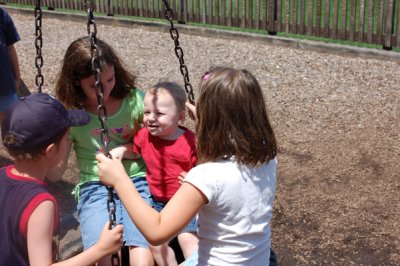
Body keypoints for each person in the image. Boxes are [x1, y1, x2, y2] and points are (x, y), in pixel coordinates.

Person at [97, 66, 278, 265]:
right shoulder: (267, 159)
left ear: (211, 119)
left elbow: (156, 231)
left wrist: (120, 180)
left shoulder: (207, 176)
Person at [48, 36, 154, 266]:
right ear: (77, 82)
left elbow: (153, 146)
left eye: (110, 79)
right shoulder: (72, 114)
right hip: (94, 186)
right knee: (100, 251)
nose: (105, 88)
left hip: (136, 179)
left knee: (141, 244)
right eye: (95, 85)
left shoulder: (134, 101)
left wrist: (126, 149)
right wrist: (55, 138)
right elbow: (55, 174)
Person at [0, 93, 123, 266]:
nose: (68, 143)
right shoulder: (40, 204)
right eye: (66, 139)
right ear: (50, 151)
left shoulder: (3, 175)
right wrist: (101, 249)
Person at [111, 81, 199, 265]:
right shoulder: (144, 136)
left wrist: (193, 177)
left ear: (180, 117)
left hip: (184, 202)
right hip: (158, 203)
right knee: (155, 244)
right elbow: (135, 151)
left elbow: (204, 166)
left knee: (187, 240)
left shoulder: (189, 141)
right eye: (147, 112)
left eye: (159, 114)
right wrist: (121, 150)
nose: (150, 118)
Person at [0, 7, 21, 124]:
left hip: (4, 84)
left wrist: (17, 77)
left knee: (8, 128)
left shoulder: (2, 15)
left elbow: (10, 49)